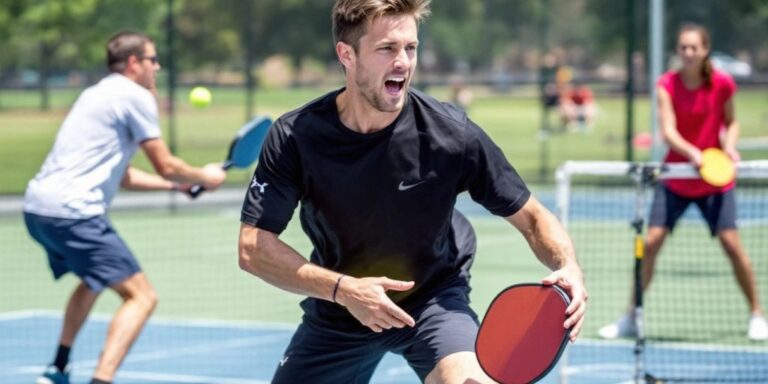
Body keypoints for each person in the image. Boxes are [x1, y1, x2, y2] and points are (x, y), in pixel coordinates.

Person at [237, 1, 587, 383]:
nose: (403, 61)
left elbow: (533, 217)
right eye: (387, 48)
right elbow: (253, 247)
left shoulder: (451, 134)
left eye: (411, 47)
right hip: (340, 307)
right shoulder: (295, 137)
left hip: (433, 300)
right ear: (347, 55)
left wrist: (566, 266)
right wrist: (344, 290)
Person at [24, 31, 227, 384]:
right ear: (134, 63)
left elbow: (123, 175)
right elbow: (165, 162)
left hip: (39, 210)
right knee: (142, 297)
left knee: (92, 278)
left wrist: (177, 186)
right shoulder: (135, 96)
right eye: (152, 59)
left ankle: (58, 367)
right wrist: (204, 175)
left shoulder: (95, 94)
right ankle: (102, 379)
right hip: (75, 213)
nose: (157, 67)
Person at [598, 23, 767, 341]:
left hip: (715, 182)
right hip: (676, 177)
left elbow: (731, 122)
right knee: (650, 244)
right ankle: (631, 316)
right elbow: (669, 131)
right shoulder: (667, 84)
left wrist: (728, 146)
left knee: (733, 246)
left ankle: (757, 314)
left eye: (694, 47)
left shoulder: (722, 84)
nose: (688, 53)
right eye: (683, 47)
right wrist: (693, 153)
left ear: (705, 49)